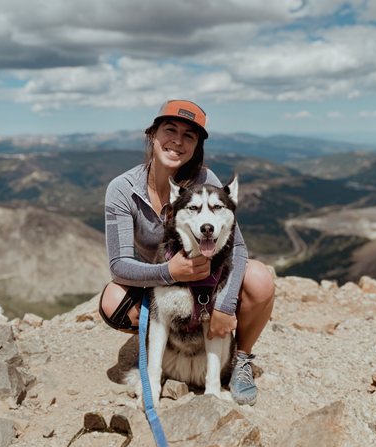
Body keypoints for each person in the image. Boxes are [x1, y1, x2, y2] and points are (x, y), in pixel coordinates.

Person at [100, 100, 275, 406]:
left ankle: (241, 361)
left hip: (207, 280)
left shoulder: (206, 181)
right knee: (113, 301)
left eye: (189, 136)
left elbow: (239, 247)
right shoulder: (122, 189)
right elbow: (118, 265)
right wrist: (168, 273)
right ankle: (166, 350)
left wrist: (225, 304)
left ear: (197, 147)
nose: (178, 141)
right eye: (170, 130)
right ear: (153, 135)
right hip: (159, 279)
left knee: (260, 279)